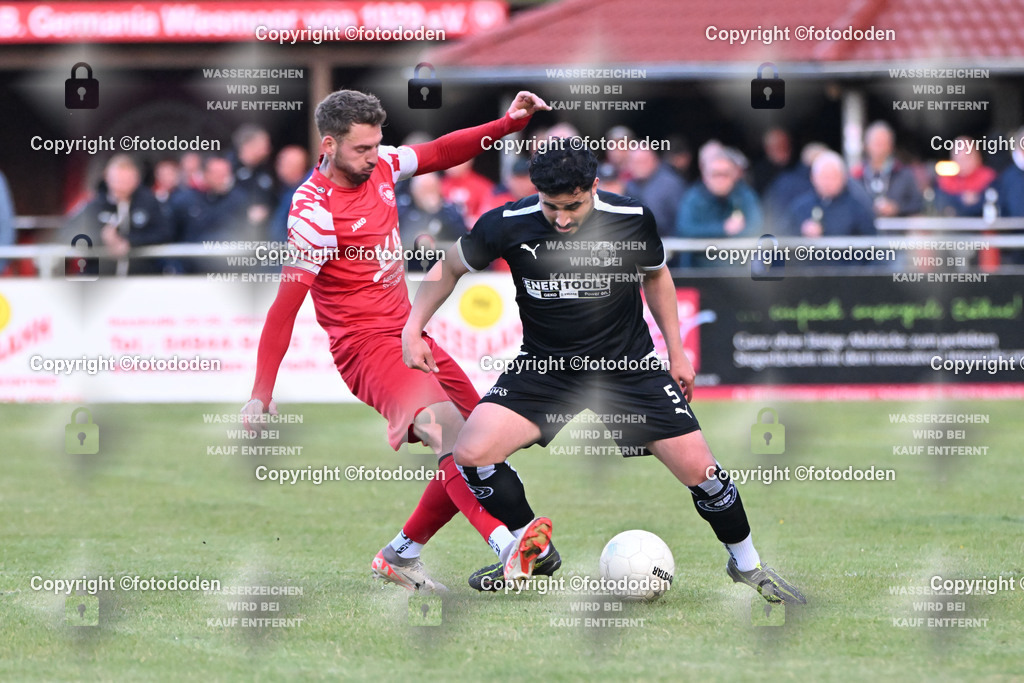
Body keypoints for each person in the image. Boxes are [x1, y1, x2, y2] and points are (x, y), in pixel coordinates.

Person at [402, 142, 806, 603]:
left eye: (573, 206)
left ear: (594, 187)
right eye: (551, 207)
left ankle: (748, 565)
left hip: (627, 367)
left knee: (705, 473)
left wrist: (677, 353)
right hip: (546, 367)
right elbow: (450, 267)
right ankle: (531, 546)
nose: (562, 219)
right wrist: (413, 328)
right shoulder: (507, 222)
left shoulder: (631, 217)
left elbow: (656, 275)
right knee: (472, 453)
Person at [242, 88, 554, 592]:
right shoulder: (313, 212)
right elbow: (284, 309)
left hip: (409, 334)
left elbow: (441, 151)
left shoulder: (382, 165)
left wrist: (506, 126)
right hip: (365, 349)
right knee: (450, 431)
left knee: (481, 443)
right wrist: (261, 393)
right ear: (328, 145)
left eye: (376, 145)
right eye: (362, 149)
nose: (374, 156)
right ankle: (507, 545)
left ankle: (401, 554)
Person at [65, 154, 174, 276]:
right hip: (100, 278)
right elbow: (70, 233)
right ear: (107, 177)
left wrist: (129, 241)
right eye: (117, 180)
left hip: (140, 277)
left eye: (126, 180)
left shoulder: (149, 203)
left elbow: (164, 233)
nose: (121, 185)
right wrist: (102, 239)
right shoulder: (94, 205)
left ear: (136, 179)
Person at [675, 146, 762, 267]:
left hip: (737, 269)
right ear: (705, 176)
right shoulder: (693, 197)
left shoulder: (745, 195)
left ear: (734, 175)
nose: (720, 180)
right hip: (700, 268)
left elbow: (757, 227)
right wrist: (723, 229)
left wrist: (736, 232)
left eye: (725, 174)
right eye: (715, 174)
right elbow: (684, 229)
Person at [785, 150, 875, 237]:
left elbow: (871, 240)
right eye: (824, 177)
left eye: (833, 177)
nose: (828, 182)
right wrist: (802, 232)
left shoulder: (858, 208)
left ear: (843, 178)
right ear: (813, 178)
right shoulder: (800, 207)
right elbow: (784, 237)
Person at [851, 121, 923, 218]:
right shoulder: (856, 175)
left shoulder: (904, 174)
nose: (879, 148)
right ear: (866, 146)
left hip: (896, 225)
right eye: (876, 143)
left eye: (883, 143)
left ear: (891, 146)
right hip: (865, 226)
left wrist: (897, 208)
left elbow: (917, 203)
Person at [625, 148, 687, 238]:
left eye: (642, 161)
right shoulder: (629, 185)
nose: (638, 166)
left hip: (668, 240)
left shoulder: (670, 184)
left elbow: (682, 221)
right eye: (634, 162)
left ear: (655, 161)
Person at [934, 138, 997, 217]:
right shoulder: (945, 180)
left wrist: (978, 199)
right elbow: (941, 206)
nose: (963, 163)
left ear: (977, 157)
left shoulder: (989, 178)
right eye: (959, 159)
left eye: (967, 158)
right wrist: (960, 198)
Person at [269, 145, 310, 244]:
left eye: (281, 164)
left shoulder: (304, 196)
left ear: (295, 167)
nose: (277, 168)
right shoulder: (285, 190)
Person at [751, 128, 796, 195]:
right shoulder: (760, 172)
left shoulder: (797, 163)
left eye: (785, 144)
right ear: (768, 149)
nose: (784, 148)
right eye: (778, 146)